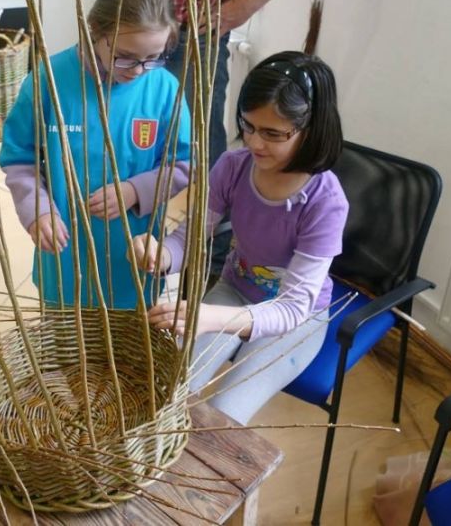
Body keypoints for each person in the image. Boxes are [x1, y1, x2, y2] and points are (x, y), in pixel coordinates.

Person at [132, 51, 347, 424]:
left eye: (273, 134)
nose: (254, 143)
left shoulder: (325, 201)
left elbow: (293, 307)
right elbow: (190, 240)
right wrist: (161, 254)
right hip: (235, 290)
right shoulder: (232, 167)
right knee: (165, 392)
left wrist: (211, 317)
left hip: (297, 318)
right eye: (247, 126)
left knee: (223, 418)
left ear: (311, 130)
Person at [0, 0, 192, 309]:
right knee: (66, 347)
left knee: (130, 351)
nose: (138, 69)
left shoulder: (164, 89)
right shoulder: (49, 80)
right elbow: (18, 158)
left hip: (132, 255)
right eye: (125, 56)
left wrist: (136, 190)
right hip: (64, 253)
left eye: (154, 57)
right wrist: (36, 209)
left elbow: (184, 165)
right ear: (94, 31)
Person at [102, 0, 328, 169]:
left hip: (194, 32)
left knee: (195, 143)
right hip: (128, 21)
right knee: (122, 126)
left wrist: (245, 6)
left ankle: (206, 206)